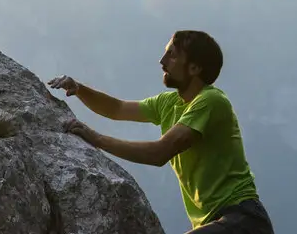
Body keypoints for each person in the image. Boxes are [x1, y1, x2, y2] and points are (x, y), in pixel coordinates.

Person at [47, 30, 271, 234]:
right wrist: (79, 89)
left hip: (244, 220)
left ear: (194, 68)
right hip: (214, 223)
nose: (162, 62)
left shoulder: (211, 101)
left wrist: (97, 139)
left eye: (172, 55)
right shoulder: (169, 103)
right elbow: (117, 108)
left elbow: (159, 153)